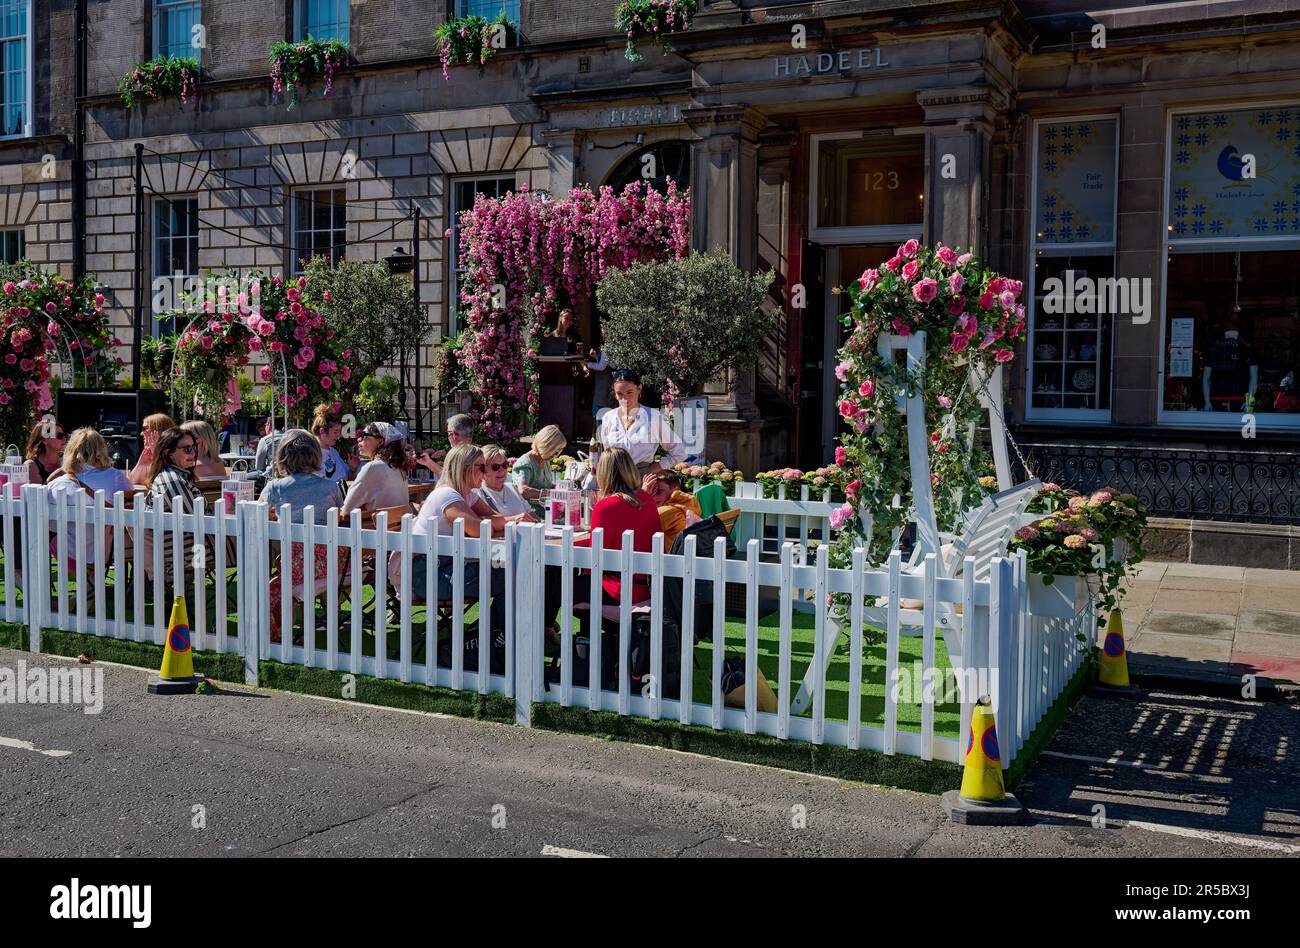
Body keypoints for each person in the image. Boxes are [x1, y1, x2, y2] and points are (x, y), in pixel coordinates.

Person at [394, 444, 530, 631]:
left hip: (446, 567)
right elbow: (479, 530)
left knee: (515, 574)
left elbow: (495, 519)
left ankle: (493, 633)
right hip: (428, 575)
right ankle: (494, 635)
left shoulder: (467, 495)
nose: (485, 472)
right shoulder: (447, 495)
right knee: (513, 576)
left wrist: (494, 521)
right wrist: (512, 519)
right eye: (482, 467)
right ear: (464, 469)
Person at [259, 429, 348, 643]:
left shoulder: (275, 488)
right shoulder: (331, 487)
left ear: (282, 457)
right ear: (315, 455)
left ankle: (284, 635)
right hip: (332, 563)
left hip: (294, 566)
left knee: (274, 585)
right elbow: (340, 516)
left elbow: (259, 513)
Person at [573, 447, 663, 611]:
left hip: (618, 589)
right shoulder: (646, 499)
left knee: (556, 581)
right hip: (647, 586)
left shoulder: (605, 506)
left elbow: (595, 557)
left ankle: (547, 629)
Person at [46, 428, 135, 572]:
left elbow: (52, 525)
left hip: (74, 549)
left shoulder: (60, 484)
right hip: (112, 550)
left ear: (71, 450)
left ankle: (87, 581)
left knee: (54, 541)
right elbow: (130, 503)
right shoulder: (117, 477)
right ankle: (91, 582)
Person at [140, 426, 211, 596]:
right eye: (187, 449)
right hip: (193, 553)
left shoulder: (175, 476)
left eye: (194, 447)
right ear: (169, 454)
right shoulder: (172, 481)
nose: (193, 453)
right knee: (259, 544)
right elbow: (197, 520)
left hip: (192, 547)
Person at [596, 369, 686, 477]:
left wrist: (652, 469)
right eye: (620, 394)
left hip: (641, 480)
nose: (625, 399)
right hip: (613, 478)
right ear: (615, 395)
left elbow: (679, 451)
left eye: (629, 392)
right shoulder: (608, 418)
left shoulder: (652, 417)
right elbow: (605, 453)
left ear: (639, 389)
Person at [340, 422, 410, 518]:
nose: (359, 439)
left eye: (364, 435)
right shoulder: (399, 467)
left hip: (378, 530)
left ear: (380, 441)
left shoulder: (372, 467)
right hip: (398, 528)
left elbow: (346, 509)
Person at [643, 469, 701, 551]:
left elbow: (636, 526)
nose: (654, 496)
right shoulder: (688, 503)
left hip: (666, 560)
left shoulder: (668, 511)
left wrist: (643, 495)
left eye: (659, 491)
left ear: (675, 488)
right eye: (652, 490)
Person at [474, 443, 533, 519]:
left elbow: (529, 512)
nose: (501, 470)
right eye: (495, 467)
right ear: (483, 470)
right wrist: (514, 519)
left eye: (505, 465)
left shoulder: (512, 487)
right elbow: (483, 521)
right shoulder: (478, 493)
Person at [511, 424, 566, 502]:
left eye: (559, 451)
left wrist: (564, 489)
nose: (556, 455)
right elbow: (523, 490)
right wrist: (550, 493)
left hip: (547, 508)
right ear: (546, 445)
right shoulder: (525, 463)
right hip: (530, 511)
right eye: (555, 451)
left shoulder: (545, 460)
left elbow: (547, 487)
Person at [311, 404, 359, 489]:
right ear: (322, 431)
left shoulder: (334, 452)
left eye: (340, 431)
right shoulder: (310, 454)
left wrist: (352, 469)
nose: (339, 435)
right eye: (335, 431)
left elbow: (347, 480)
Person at [414, 412, 475, 479]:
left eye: (448, 434)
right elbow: (449, 475)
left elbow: (450, 479)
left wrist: (428, 463)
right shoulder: (478, 453)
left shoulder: (458, 454)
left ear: (453, 435)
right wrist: (428, 462)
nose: (448, 437)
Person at [128, 413, 177, 486]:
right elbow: (131, 482)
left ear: (158, 431)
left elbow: (166, 480)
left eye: (145, 428)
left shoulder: (175, 454)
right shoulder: (148, 454)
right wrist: (140, 465)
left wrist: (157, 454)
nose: (141, 433)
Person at [23, 418, 66, 485]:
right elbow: (36, 493)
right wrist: (53, 477)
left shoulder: (67, 461)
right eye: (59, 436)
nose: (64, 439)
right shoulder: (31, 466)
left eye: (64, 435)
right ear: (44, 440)